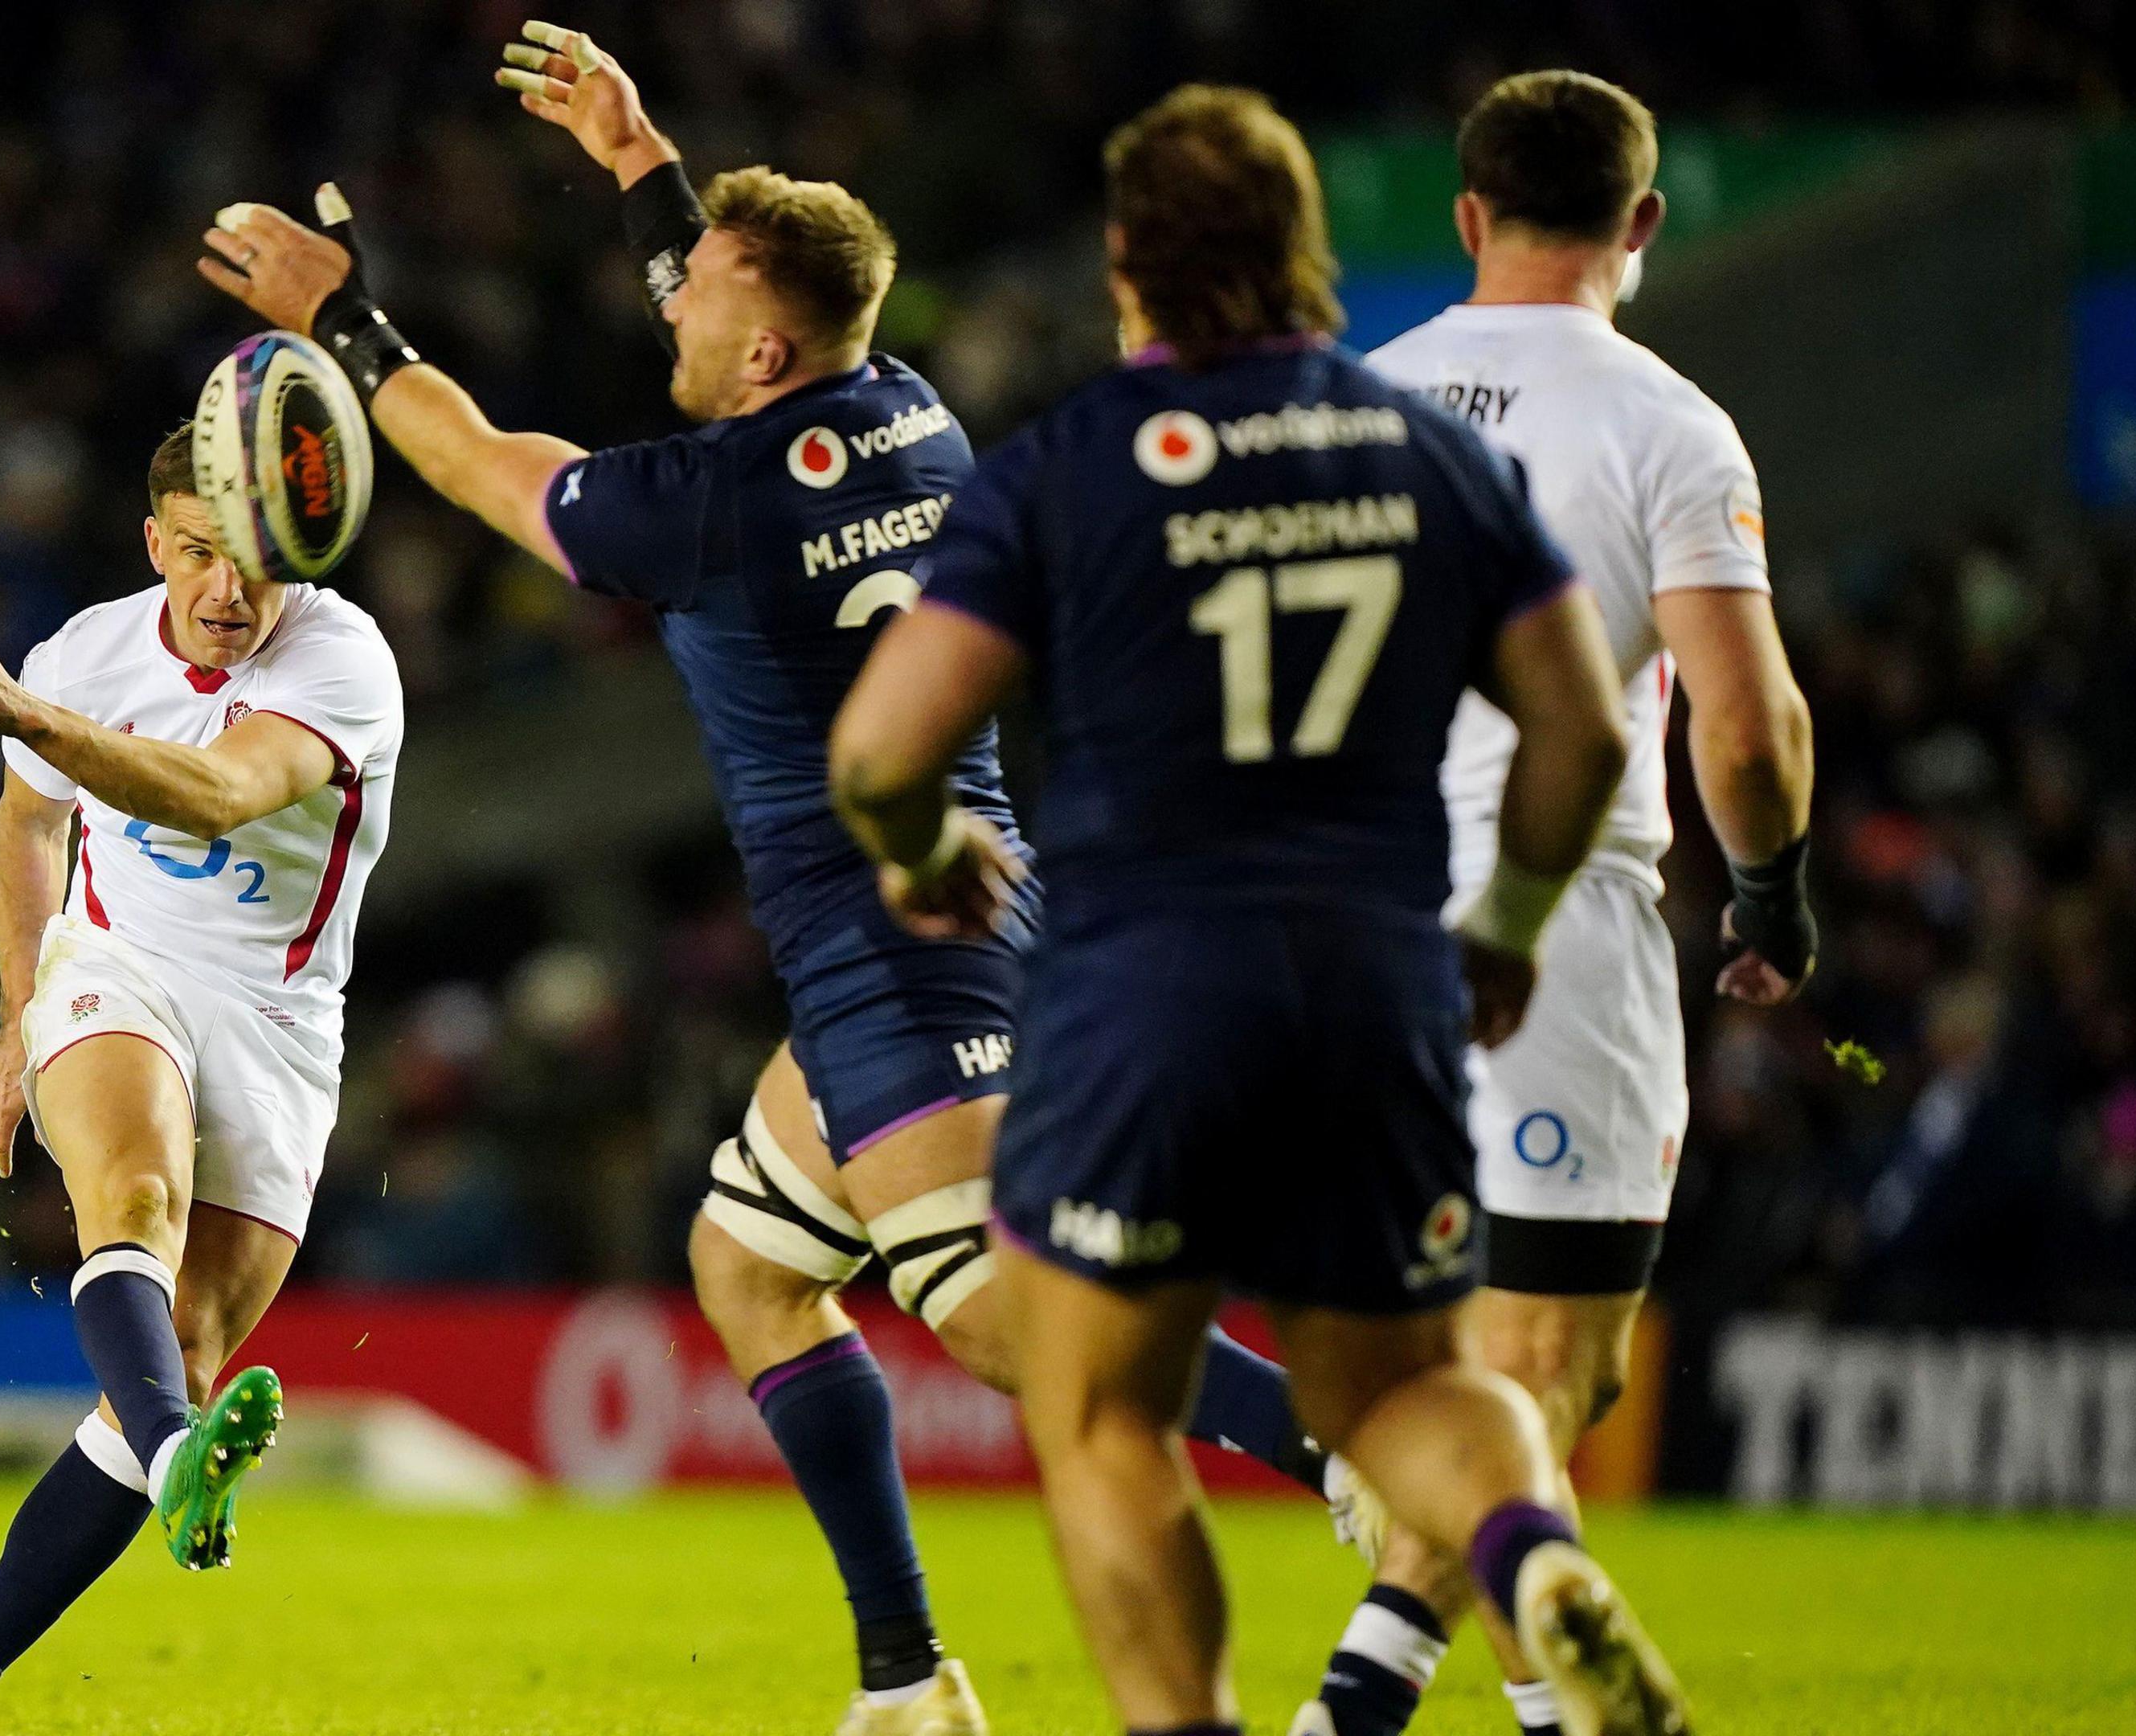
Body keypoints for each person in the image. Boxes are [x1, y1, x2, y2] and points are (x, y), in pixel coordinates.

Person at [198, 24, 1323, 1734]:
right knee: (749, 1265)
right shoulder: (906, 411)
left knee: (1029, 1334)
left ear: (766, 341)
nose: (671, 304)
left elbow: (484, 461)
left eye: (699, 288)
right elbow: (736, 312)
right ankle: (906, 1682)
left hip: (894, 938)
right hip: (952, 899)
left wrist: (340, 322)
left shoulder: (716, 502)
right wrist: (643, 164)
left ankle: (1351, 1449)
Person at [829, 82, 1688, 1736]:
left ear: (1128, 264)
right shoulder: (1425, 448)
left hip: (1141, 1005)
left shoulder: (1069, 467)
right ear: (1308, 253)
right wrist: (1506, 924)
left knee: (1103, 1422)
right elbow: (1581, 726)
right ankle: (1532, 1555)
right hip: (1378, 988)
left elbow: (881, 749)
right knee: (1415, 1391)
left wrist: (926, 852)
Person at [1302, 71, 1819, 1736]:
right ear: (1645, 225)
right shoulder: (1665, 422)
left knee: (1466, 1391)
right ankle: (1344, 1715)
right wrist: (1773, 896)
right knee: (1549, 1383)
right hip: (1545, 936)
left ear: (1467, 218)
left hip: (1337, 936)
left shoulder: (1351, 403)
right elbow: (1747, 729)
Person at [0, 420, 405, 1735]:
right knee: (135, 1189)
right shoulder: (88, 651)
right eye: (200, 556)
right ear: (156, 542)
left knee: (183, 1354)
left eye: (257, 560)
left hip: (280, 1026)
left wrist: (24, 713)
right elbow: (31, 817)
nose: (228, 592)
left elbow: (218, 794)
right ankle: (182, 1462)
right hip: (122, 966)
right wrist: (19, 1015)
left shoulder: (341, 656)